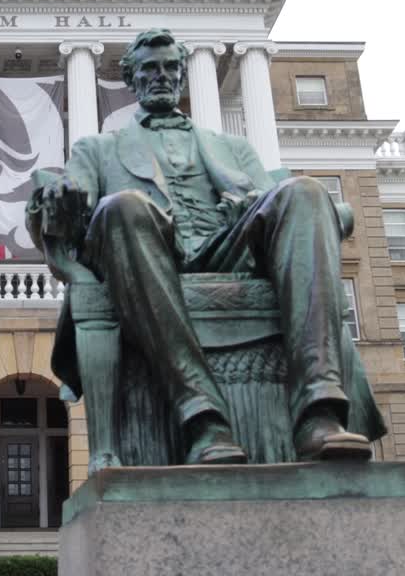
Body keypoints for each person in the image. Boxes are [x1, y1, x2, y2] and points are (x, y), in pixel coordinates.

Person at [36, 28, 374, 470]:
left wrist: (247, 206)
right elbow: (71, 201)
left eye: (170, 67)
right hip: (148, 252)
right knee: (121, 207)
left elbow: (272, 204)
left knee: (305, 192)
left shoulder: (232, 147)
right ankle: (201, 416)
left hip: (227, 248)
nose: (161, 76)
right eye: (149, 68)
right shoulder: (98, 149)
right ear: (132, 80)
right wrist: (59, 196)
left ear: (182, 75)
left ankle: (319, 411)